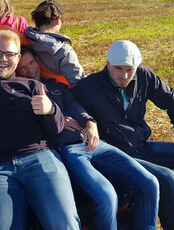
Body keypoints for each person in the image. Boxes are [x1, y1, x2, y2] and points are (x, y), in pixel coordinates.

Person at [73, 40, 174, 230]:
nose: (124, 76)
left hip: (142, 146)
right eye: (118, 69)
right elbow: (74, 111)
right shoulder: (89, 86)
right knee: (166, 178)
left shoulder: (144, 76)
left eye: (130, 70)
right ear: (107, 64)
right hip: (118, 157)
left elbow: (172, 101)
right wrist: (88, 122)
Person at [16, 46, 159, 230]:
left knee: (150, 183)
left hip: (94, 142)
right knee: (106, 195)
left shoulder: (57, 86)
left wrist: (90, 122)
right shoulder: (21, 96)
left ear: (38, 60)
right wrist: (57, 116)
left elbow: (75, 106)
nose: (29, 70)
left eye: (31, 63)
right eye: (22, 68)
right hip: (68, 151)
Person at [0, 30, 80, 229]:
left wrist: (51, 110)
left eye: (9, 54)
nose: (3, 59)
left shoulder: (32, 86)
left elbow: (57, 128)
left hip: (39, 159)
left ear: (17, 58)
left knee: (65, 224)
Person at [24, 0, 84, 87]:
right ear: (58, 20)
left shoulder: (24, 39)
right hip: (59, 95)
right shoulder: (63, 51)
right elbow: (78, 83)